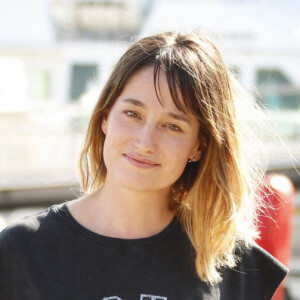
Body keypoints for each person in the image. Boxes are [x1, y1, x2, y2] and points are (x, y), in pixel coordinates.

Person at [0, 31, 287, 300]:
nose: (145, 141)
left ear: (199, 146)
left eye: (172, 126)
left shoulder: (237, 265)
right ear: (105, 117)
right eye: (132, 113)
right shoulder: (19, 252)